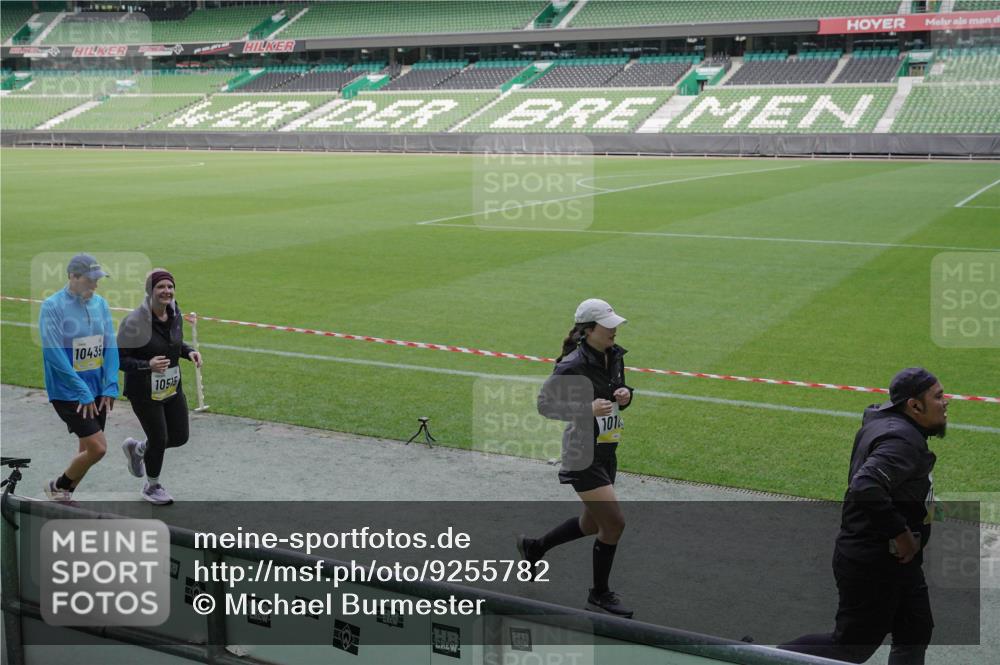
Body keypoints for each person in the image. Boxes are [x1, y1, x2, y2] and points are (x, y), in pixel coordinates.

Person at [779, 367, 946, 665]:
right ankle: (760, 658)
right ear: (914, 405)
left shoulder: (892, 425)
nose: (945, 402)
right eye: (938, 396)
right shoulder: (902, 442)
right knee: (849, 648)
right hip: (876, 562)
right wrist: (902, 533)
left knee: (915, 629)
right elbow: (865, 485)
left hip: (896, 562)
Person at [519, 298, 635, 618]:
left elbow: (613, 396)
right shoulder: (572, 365)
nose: (614, 329)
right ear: (588, 330)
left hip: (607, 450)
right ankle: (599, 594)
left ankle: (535, 547)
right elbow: (545, 406)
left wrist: (625, 396)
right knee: (614, 523)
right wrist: (586, 409)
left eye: (614, 323)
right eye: (607, 324)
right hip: (582, 453)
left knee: (590, 523)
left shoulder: (614, 355)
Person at [117, 269, 202, 505]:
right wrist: (148, 365)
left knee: (180, 436)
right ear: (150, 291)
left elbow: (175, 343)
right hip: (143, 390)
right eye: (160, 287)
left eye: (170, 287)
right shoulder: (134, 322)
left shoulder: (175, 314)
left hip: (171, 387)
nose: (167, 291)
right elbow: (119, 359)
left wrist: (189, 352)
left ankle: (139, 449)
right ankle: (152, 486)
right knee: (160, 437)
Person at [40, 253, 119, 501]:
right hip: (68, 391)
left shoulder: (100, 304)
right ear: (72, 277)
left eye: (97, 280)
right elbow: (53, 354)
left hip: (96, 389)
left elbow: (110, 344)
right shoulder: (52, 307)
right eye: (90, 280)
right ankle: (57, 486)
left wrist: (111, 384)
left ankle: (64, 495)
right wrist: (80, 390)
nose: (95, 285)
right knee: (98, 448)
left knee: (85, 450)